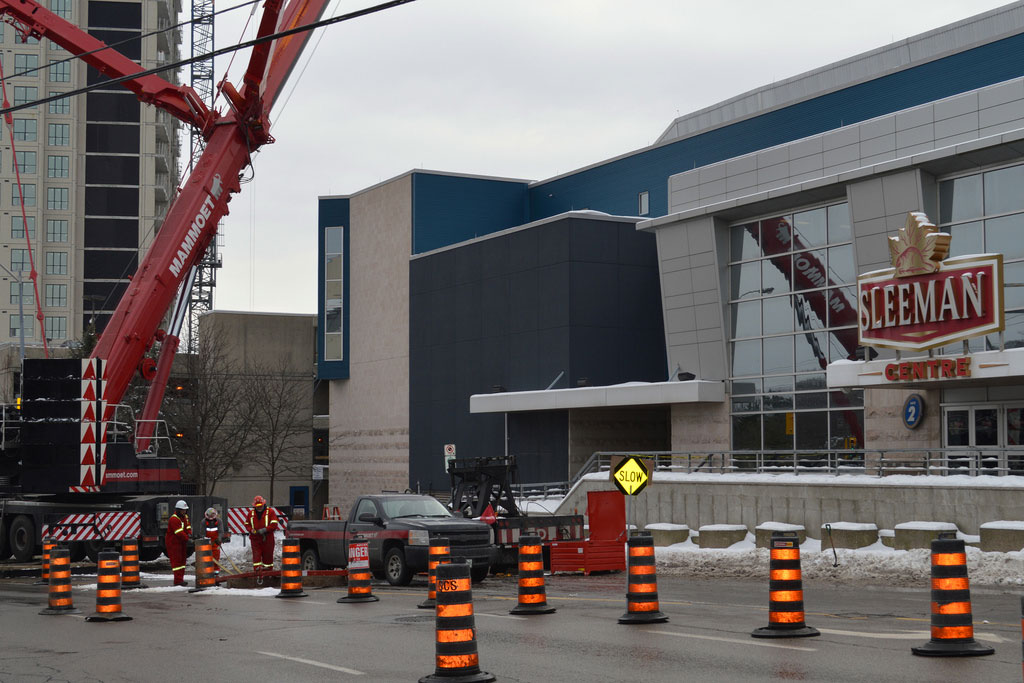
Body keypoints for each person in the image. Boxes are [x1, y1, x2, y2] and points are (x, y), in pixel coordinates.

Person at [245, 495, 279, 574]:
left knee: (268, 557)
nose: (259, 507)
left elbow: (274, 524)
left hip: (267, 538)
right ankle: (257, 573)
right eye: (257, 506)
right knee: (256, 558)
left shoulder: (270, 512)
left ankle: (268, 574)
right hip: (255, 539)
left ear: (263, 504)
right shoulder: (251, 513)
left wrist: (265, 530)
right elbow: (247, 524)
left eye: (260, 506)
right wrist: (251, 530)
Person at [165, 500, 192, 586]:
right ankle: (177, 581)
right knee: (177, 562)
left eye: (185, 510)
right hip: (174, 543)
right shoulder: (174, 519)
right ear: (178, 510)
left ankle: (181, 579)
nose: (184, 511)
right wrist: (188, 539)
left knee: (182, 561)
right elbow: (179, 532)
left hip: (181, 543)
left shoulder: (185, 517)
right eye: (183, 510)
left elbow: (188, 527)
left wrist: (190, 535)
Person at [203, 507, 222, 574]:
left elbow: (220, 532)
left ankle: (216, 574)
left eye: (212, 515)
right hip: (207, 544)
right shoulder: (204, 522)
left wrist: (219, 539)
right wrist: (205, 541)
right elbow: (202, 534)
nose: (211, 517)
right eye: (210, 515)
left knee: (216, 560)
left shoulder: (218, 521)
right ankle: (208, 574)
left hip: (216, 543)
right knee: (207, 560)